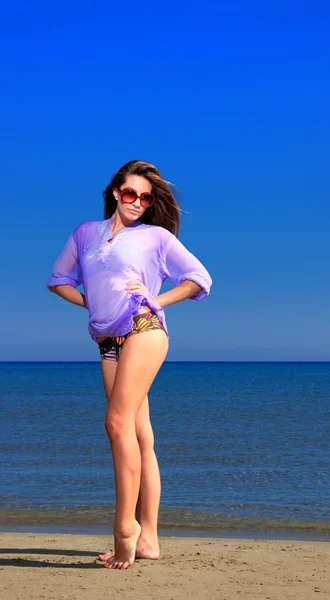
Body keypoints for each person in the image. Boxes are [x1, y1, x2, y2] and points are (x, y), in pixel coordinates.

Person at [47, 159, 212, 570]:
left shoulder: (155, 237)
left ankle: (126, 530)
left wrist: (158, 299)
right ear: (115, 193)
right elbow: (59, 279)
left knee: (116, 424)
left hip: (143, 326)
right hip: (107, 337)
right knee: (139, 435)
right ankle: (150, 539)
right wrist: (95, 305)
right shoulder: (85, 233)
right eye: (130, 194)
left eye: (145, 197)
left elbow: (198, 278)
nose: (137, 202)